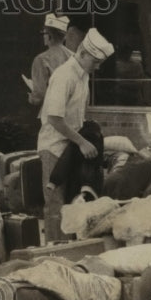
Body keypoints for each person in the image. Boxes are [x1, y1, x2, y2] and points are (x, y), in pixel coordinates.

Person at [37, 27, 114, 242]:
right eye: (95, 62)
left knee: (73, 200)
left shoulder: (83, 76)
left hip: (72, 144)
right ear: (82, 54)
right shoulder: (65, 76)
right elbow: (54, 118)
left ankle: (70, 249)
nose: (97, 68)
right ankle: (53, 251)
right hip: (54, 146)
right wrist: (82, 142)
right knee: (55, 203)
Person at [28, 13, 74, 128]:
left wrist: (32, 98)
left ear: (49, 36)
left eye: (44, 33)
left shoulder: (41, 59)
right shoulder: (74, 58)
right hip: (73, 114)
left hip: (51, 116)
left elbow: (40, 95)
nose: (43, 36)